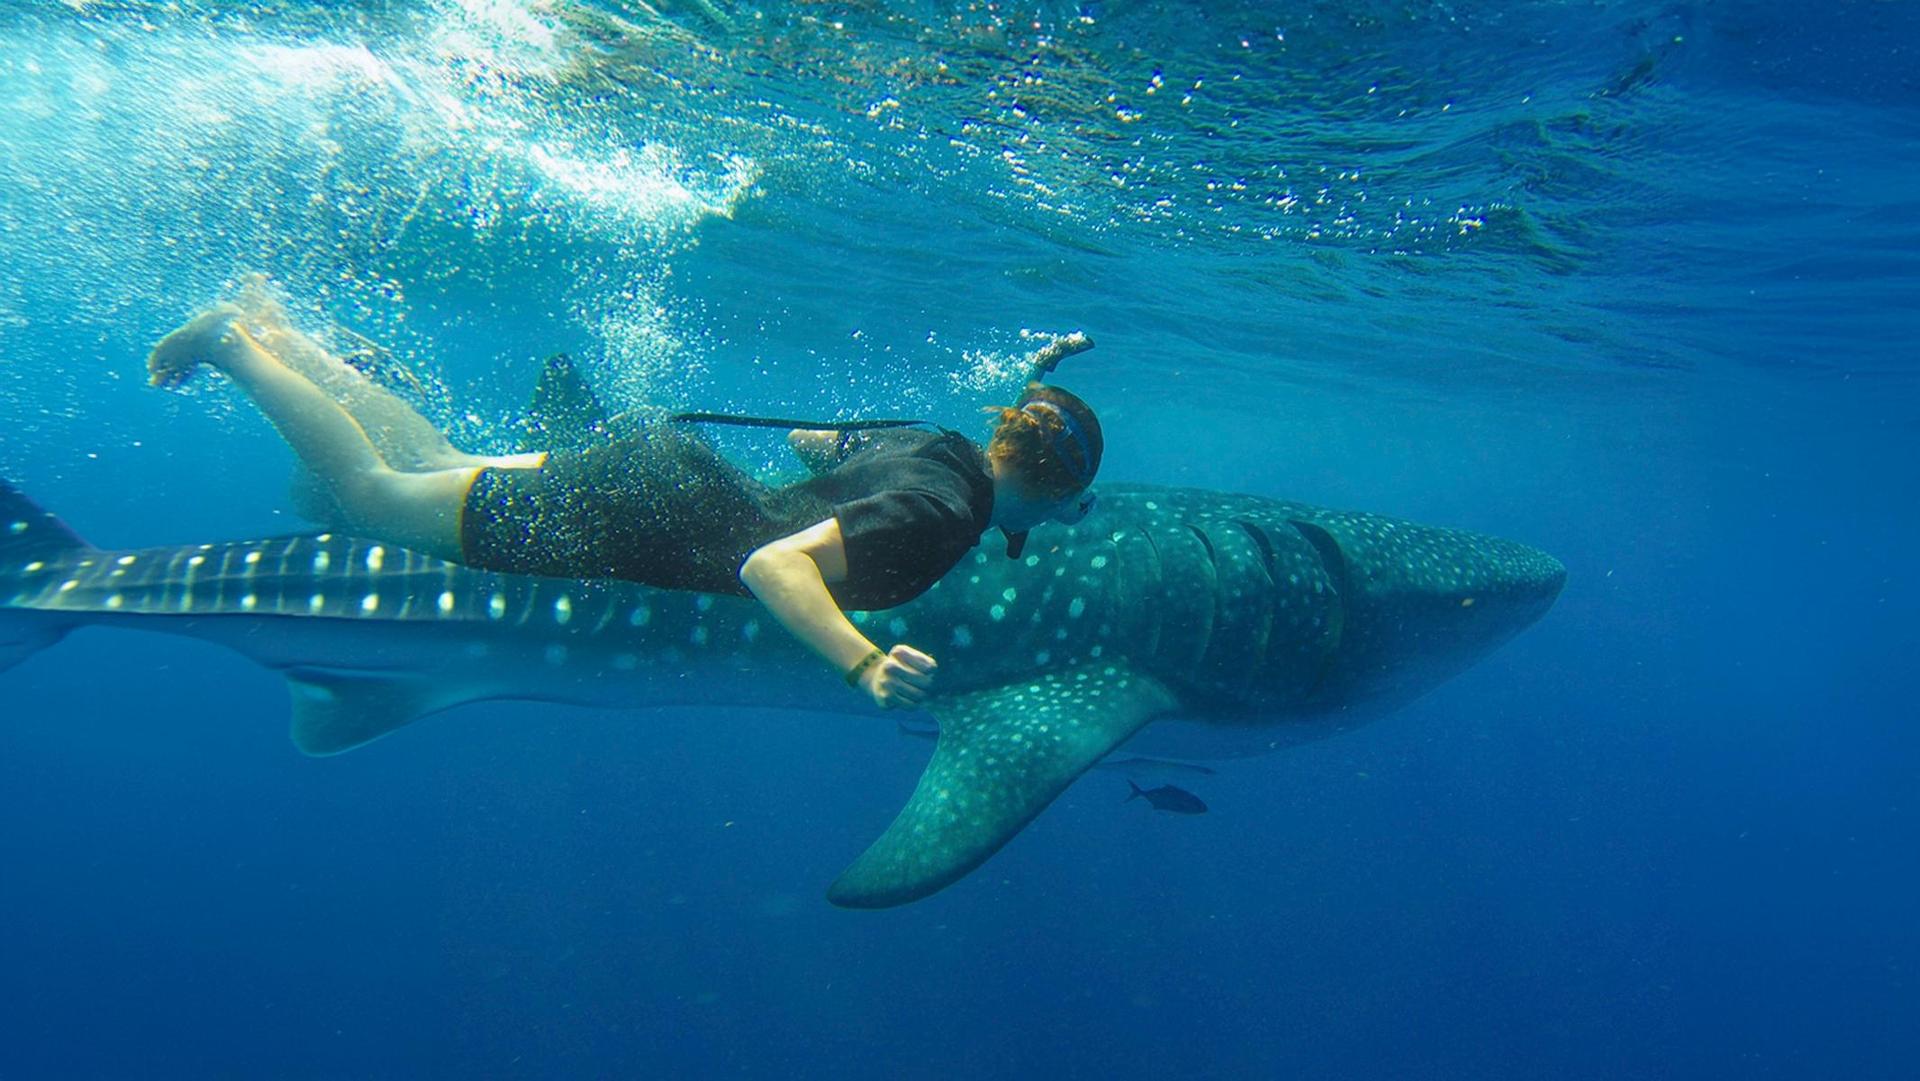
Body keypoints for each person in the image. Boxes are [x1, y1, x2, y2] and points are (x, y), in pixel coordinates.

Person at [146, 278, 1103, 710]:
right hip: (631, 517)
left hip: (658, 473)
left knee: (431, 454)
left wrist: (1042, 372)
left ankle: (281, 332)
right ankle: (233, 343)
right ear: (1055, 492)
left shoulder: (941, 448)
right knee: (365, 494)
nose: (1067, 521)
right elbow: (773, 567)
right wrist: (862, 666)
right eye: (1075, 503)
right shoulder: (944, 519)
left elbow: (822, 443)